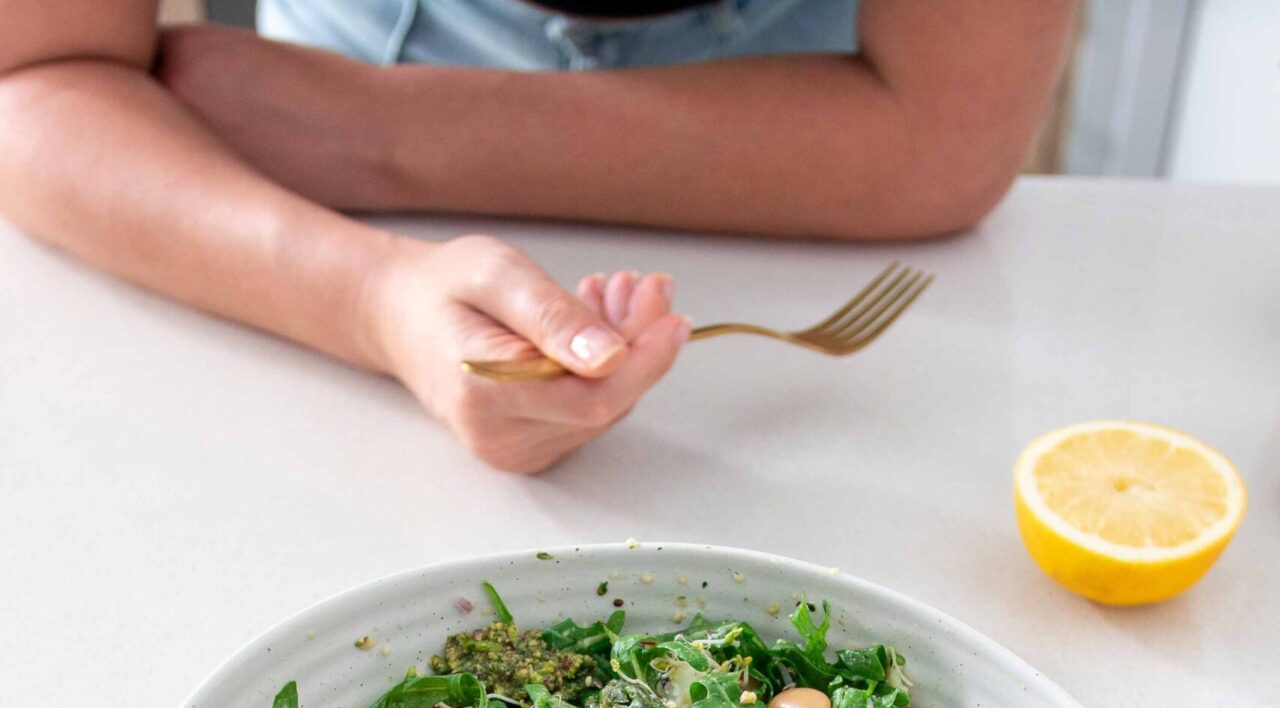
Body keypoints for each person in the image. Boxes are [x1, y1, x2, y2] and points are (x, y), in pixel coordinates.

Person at [0, 1, 1074, 472]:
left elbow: (940, 140)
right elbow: (34, 83)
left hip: (803, 54)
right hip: (336, 89)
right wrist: (374, 296)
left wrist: (381, 129)